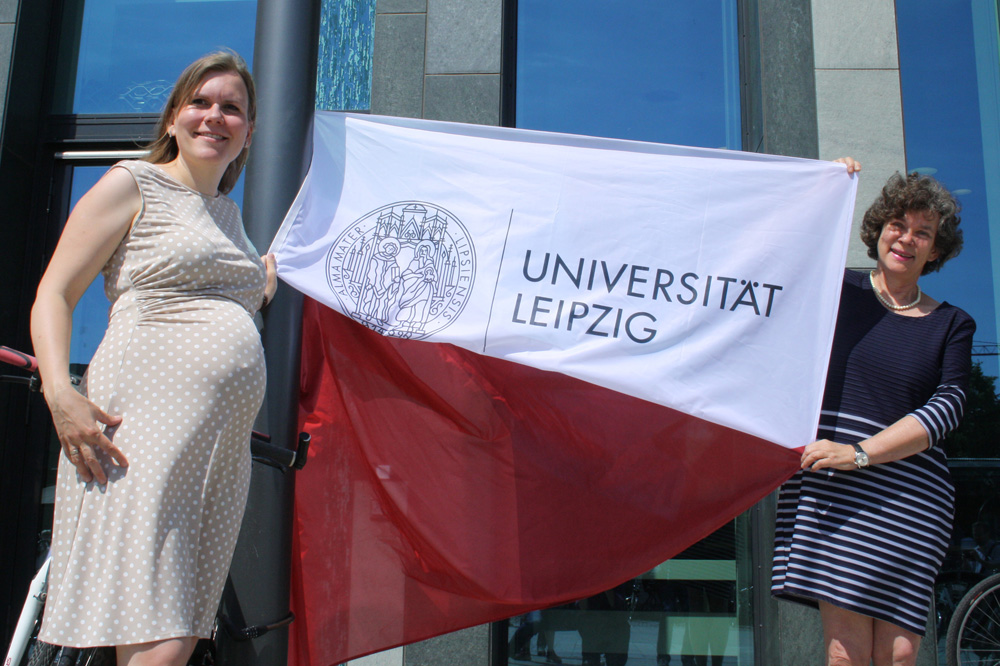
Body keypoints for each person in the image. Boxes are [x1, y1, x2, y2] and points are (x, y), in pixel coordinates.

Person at [30, 51, 275, 666]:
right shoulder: (132, 182)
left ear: (248, 130)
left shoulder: (230, 219)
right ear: (173, 118)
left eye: (232, 108)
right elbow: (55, 293)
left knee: (182, 621)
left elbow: (220, 293)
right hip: (147, 423)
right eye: (201, 102)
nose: (214, 117)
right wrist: (61, 392)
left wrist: (258, 281)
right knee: (155, 618)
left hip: (218, 446)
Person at [771, 158, 976, 666]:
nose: (906, 239)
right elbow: (782, 252)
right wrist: (823, 186)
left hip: (909, 499)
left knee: (901, 655)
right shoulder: (837, 293)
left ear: (936, 249)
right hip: (835, 492)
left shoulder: (952, 323)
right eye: (897, 225)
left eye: (923, 232)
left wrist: (859, 453)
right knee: (846, 654)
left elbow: (949, 404)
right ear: (879, 230)